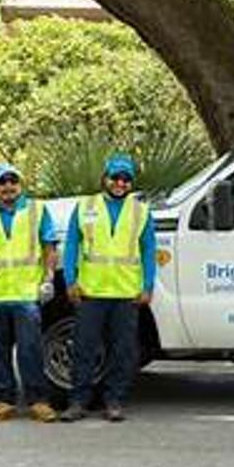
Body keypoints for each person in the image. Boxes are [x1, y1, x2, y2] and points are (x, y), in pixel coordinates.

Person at [58, 154, 156, 423]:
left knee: (122, 352)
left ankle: (114, 401)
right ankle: (78, 402)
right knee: (84, 350)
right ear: (105, 178)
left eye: (126, 179)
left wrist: (147, 286)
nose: (120, 183)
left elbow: (149, 251)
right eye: (116, 178)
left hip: (126, 294)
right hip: (91, 292)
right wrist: (70, 280)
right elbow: (71, 247)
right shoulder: (85, 206)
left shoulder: (141, 212)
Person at [0, 162, 59, 423]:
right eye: (2, 182)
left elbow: (49, 248)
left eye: (12, 181)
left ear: (20, 184)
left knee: (30, 351)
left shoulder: (36, 211)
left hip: (26, 295)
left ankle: (38, 402)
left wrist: (49, 279)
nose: (8, 187)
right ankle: (3, 401)